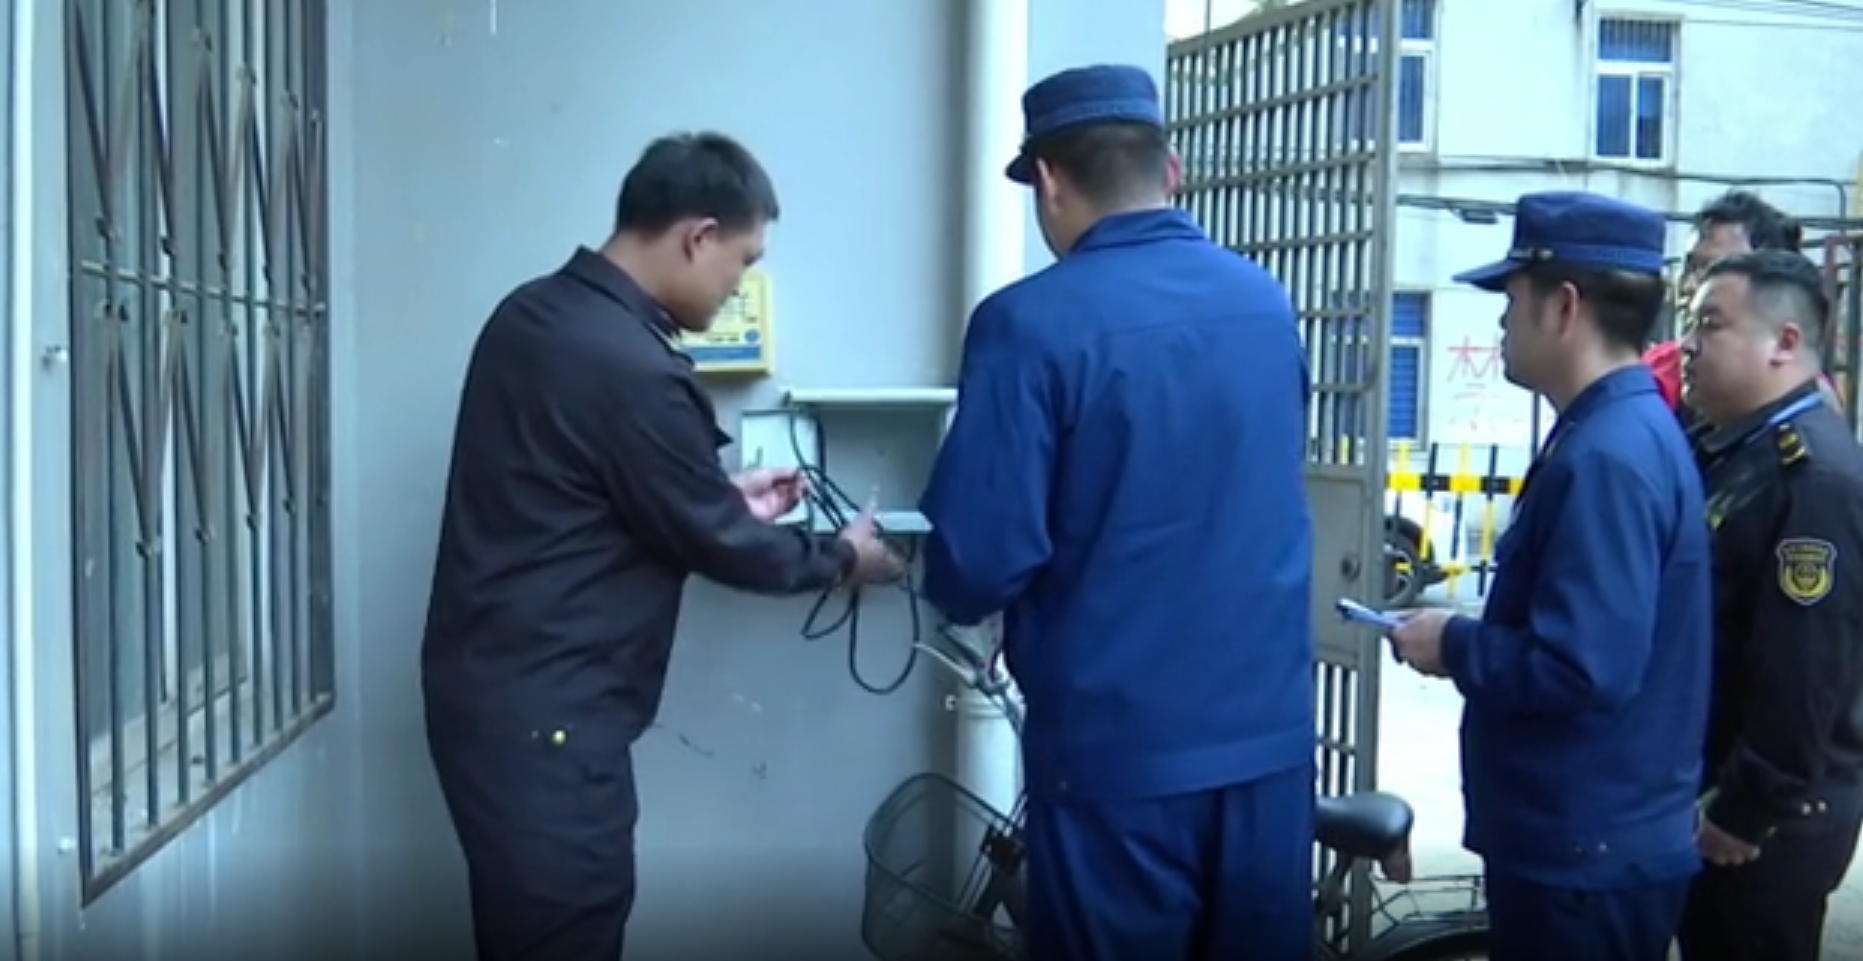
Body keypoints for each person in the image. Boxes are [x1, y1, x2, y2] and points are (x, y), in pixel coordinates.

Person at [420, 132, 901, 961]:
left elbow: (576, 495)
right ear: (698, 236)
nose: (736, 286)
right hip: (551, 717)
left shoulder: (534, 314)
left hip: (499, 698)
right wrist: (847, 558)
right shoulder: (631, 366)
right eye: (741, 262)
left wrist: (715, 498)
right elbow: (728, 549)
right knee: (567, 930)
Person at [919, 64, 1316, 961]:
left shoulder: (1027, 323)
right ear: (1170, 169)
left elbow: (979, 557)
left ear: (1048, 179)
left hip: (1115, 759)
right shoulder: (1264, 304)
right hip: (1268, 747)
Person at [1388, 191, 1714, 961]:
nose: (1501, 322)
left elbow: (1583, 666)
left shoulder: (1608, 454)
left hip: (1583, 851)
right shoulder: (1614, 429)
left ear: (1563, 306)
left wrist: (1452, 642)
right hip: (1590, 839)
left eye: (1511, 300)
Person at [1673, 250, 1863, 961]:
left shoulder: (1811, 477)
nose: (1686, 345)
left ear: (1784, 343)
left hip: (1767, 820)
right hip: (1720, 787)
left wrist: (1745, 809)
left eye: (1709, 325)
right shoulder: (1736, 448)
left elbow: (1804, 667)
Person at [1645, 190, 1842, 419]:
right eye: (1689, 267)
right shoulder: (1658, 368)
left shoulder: (1805, 406)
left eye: (1715, 269)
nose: (1690, 285)